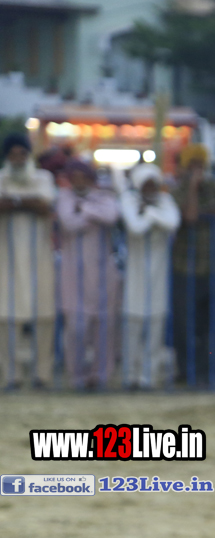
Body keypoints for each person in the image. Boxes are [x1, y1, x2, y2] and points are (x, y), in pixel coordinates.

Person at [171, 143, 215, 387]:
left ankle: (211, 371)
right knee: (186, 325)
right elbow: (188, 217)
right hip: (185, 268)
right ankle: (188, 371)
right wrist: (192, 188)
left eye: (201, 165)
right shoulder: (178, 190)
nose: (198, 170)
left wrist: (205, 213)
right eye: (193, 165)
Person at [57, 158, 121, 390]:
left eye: (83, 177)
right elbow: (69, 222)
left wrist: (83, 208)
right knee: (77, 328)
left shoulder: (103, 196)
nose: (79, 181)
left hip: (103, 271)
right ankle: (76, 377)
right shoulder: (64, 198)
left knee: (104, 326)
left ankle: (100, 376)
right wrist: (92, 214)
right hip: (73, 272)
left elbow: (111, 216)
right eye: (74, 177)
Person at [0, 132, 56, 389]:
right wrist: (27, 202)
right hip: (7, 259)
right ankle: (11, 375)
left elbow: (45, 206)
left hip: (39, 257)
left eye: (22, 153)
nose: (18, 159)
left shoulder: (42, 178)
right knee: (5, 317)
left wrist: (14, 201)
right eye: (13, 154)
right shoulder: (2, 178)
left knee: (44, 315)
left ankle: (42, 374)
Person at [120, 162, 180, 389]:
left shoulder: (165, 201)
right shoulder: (129, 200)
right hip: (135, 271)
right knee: (132, 325)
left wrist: (150, 212)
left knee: (156, 325)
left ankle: (149, 376)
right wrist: (153, 217)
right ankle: (130, 376)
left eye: (154, 184)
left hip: (158, 271)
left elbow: (173, 222)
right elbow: (135, 227)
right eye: (146, 185)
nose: (150, 189)